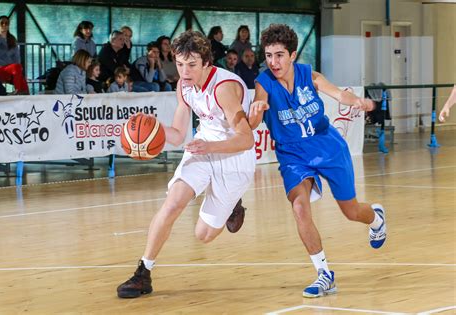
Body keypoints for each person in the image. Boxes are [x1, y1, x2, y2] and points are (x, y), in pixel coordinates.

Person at [248, 24, 387, 298]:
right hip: (292, 154)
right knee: (300, 208)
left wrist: (357, 101)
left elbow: (338, 94)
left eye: (279, 55)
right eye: (268, 55)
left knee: (350, 211)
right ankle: (325, 274)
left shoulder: (308, 75)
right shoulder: (263, 83)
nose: (273, 62)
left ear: (292, 55)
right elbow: (253, 121)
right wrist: (257, 109)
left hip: (327, 146)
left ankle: (376, 218)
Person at [116, 30, 255, 299]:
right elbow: (179, 134)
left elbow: (246, 139)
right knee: (173, 202)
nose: (185, 71)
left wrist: (212, 147)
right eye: (180, 64)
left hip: (235, 155)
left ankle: (233, 202)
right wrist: (150, 131)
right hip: (203, 145)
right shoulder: (184, 86)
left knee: (203, 235)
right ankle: (143, 272)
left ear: (206, 62)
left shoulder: (223, 88)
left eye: (191, 64)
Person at [0, 15, 29, 94]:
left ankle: (26, 98)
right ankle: (17, 91)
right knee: (17, 68)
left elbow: (17, 58)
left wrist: (13, 67)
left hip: (13, 69)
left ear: (8, 25)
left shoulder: (12, 39)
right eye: (2, 23)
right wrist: (10, 66)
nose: (4, 25)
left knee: (20, 74)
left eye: (6, 23)